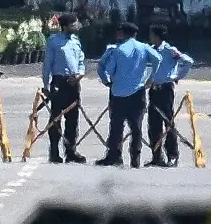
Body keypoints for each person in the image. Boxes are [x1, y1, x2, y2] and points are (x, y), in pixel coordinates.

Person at [96, 22, 155, 167]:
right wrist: (151, 78)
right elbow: (158, 59)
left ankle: (114, 156)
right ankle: (135, 158)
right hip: (138, 91)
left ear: (124, 33)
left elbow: (109, 70)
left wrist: (106, 80)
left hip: (118, 93)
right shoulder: (143, 47)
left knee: (116, 125)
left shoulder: (117, 50)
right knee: (136, 127)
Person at [143, 25, 195, 167]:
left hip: (165, 89)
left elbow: (188, 61)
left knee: (168, 122)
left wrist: (176, 75)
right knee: (153, 123)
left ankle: (172, 155)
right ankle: (156, 155)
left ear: (158, 36)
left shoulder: (169, 50)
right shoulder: (151, 50)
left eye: (152, 34)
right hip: (153, 89)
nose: (150, 37)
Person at [41, 14, 87, 164]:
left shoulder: (76, 41)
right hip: (59, 82)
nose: (77, 26)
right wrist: (46, 85)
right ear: (66, 26)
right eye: (74, 24)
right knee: (56, 118)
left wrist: (80, 75)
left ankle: (71, 151)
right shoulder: (54, 41)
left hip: (73, 83)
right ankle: (54, 151)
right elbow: (47, 64)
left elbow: (81, 61)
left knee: (73, 119)